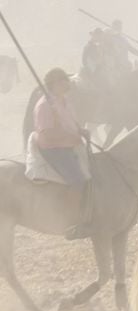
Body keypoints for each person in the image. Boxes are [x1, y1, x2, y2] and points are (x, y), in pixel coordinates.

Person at [31, 68, 91, 238]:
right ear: (55, 84)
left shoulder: (64, 101)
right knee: (77, 180)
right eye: (64, 80)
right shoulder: (44, 106)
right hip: (54, 149)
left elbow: (70, 123)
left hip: (69, 144)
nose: (67, 83)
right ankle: (70, 222)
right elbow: (47, 134)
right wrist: (71, 136)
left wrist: (80, 130)